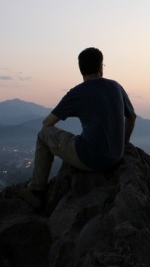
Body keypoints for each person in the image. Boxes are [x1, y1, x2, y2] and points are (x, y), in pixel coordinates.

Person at [19, 47, 137, 207]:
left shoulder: (77, 93)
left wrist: (74, 109)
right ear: (100, 67)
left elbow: (47, 123)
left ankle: (37, 190)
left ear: (81, 69)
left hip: (90, 158)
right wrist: (123, 144)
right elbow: (131, 117)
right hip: (116, 157)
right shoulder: (115, 86)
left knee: (43, 134)